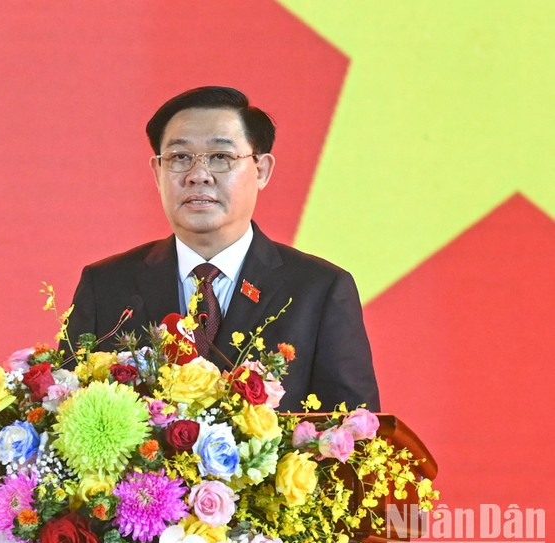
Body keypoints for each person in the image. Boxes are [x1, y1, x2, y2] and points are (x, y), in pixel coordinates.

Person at [65, 86, 380, 412]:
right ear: (158, 172)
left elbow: (357, 438)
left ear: (261, 170)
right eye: (179, 158)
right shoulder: (106, 287)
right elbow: (65, 417)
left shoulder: (319, 290)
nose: (198, 175)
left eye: (220, 157)